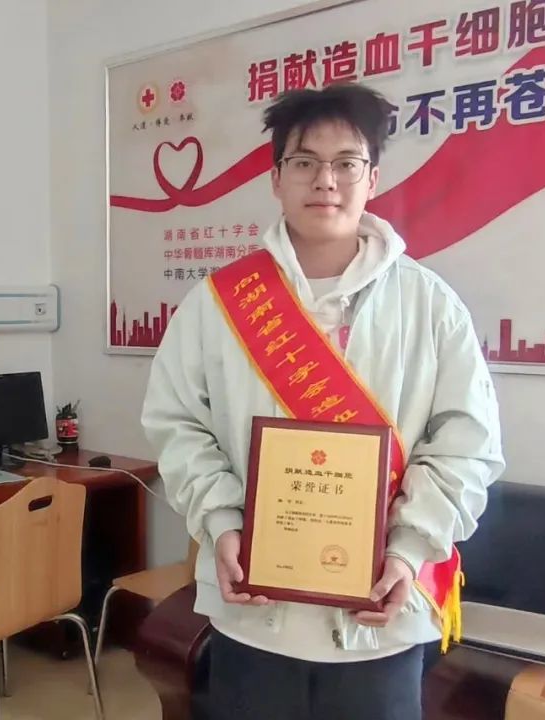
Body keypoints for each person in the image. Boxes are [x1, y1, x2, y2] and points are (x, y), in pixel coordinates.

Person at [141, 82, 505, 720]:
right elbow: (178, 425)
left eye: (346, 163)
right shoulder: (217, 304)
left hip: (380, 617)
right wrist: (222, 522)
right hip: (253, 614)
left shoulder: (430, 304)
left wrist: (409, 549)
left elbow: (466, 444)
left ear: (372, 178)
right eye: (305, 161)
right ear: (276, 178)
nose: (325, 180)